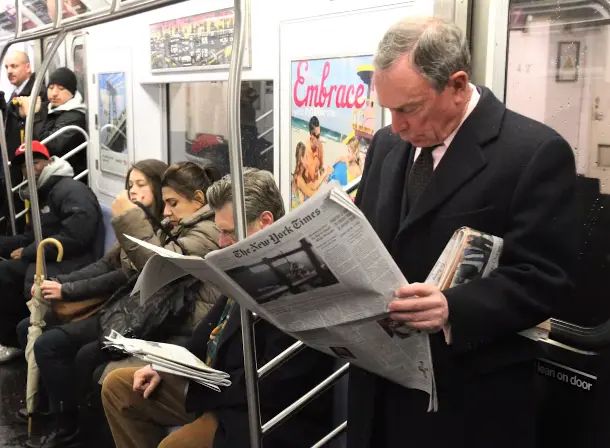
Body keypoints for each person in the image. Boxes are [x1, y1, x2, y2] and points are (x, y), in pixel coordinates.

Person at [350, 17, 577, 448]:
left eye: (408, 109)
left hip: (467, 402)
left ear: (456, 85)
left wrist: (452, 308)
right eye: (389, 109)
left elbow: (547, 279)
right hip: (378, 391)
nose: (396, 125)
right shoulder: (385, 145)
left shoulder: (533, 153)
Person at [101, 168, 334, 448]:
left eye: (228, 232)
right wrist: (165, 367)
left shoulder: (297, 279)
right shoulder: (243, 262)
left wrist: (203, 389)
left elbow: (275, 384)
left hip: (257, 408)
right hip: (219, 385)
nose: (221, 243)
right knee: (119, 389)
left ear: (264, 222)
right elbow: (208, 332)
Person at [17, 161, 221, 447]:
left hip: (161, 322)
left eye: (142, 186)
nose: (166, 210)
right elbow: (110, 264)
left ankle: (77, 433)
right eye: (130, 186)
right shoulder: (173, 224)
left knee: (86, 358)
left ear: (198, 201)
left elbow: (157, 269)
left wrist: (70, 289)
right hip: (141, 313)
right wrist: (65, 286)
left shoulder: (202, 232)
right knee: (57, 345)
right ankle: (67, 425)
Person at [0, 141, 102, 363]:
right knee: (7, 270)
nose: (30, 170)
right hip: (54, 253)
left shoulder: (69, 189)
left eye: (35, 162)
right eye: (25, 166)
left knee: (6, 273)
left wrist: (28, 252)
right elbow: (34, 234)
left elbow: (78, 235)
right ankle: (17, 338)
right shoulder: (45, 192)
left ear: (49, 161)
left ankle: (12, 340)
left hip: (76, 259)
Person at [36, 67, 88, 177]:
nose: (54, 93)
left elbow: (51, 146)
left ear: (72, 92)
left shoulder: (75, 116)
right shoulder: (50, 108)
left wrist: (36, 116)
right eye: (51, 87)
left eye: (61, 88)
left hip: (69, 176)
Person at [2, 51, 47, 162]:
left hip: (24, 158)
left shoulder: (36, 92)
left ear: (27, 67)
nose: (9, 71)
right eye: (6, 67)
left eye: (14, 66)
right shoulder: (16, 92)